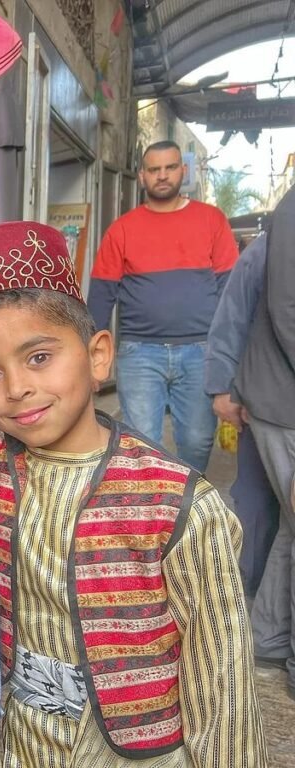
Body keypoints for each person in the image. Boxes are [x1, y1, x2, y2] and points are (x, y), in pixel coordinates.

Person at [0, 221, 266, 765]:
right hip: (8, 742)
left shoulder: (177, 504)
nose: (17, 387)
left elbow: (222, 682)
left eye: (40, 357)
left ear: (99, 356)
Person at [88, 140, 237, 472]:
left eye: (170, 167)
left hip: (201, 351)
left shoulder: (212, 220)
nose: (162, 176)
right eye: (154, 169)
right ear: (142, 176)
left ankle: (187, 510)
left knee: (198, 441)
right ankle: (154, 514)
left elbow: (231, 292)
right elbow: (101, 297)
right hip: (140, 353)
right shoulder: (122, 230)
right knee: (141, 444)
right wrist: (90, 359)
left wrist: (230, 353)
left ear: (183, 171)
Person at [236, 186, 295, 700]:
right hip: (283, 398)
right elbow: (285, 306)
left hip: (278, 395)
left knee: (291, 524)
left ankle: (270, 637)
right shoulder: (293, 211)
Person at [204, 232, 280, 600]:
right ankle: (250, 592)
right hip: (264, 401)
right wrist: (222, 387)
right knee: (255, 500)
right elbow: (232, 316)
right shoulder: (270, 246)